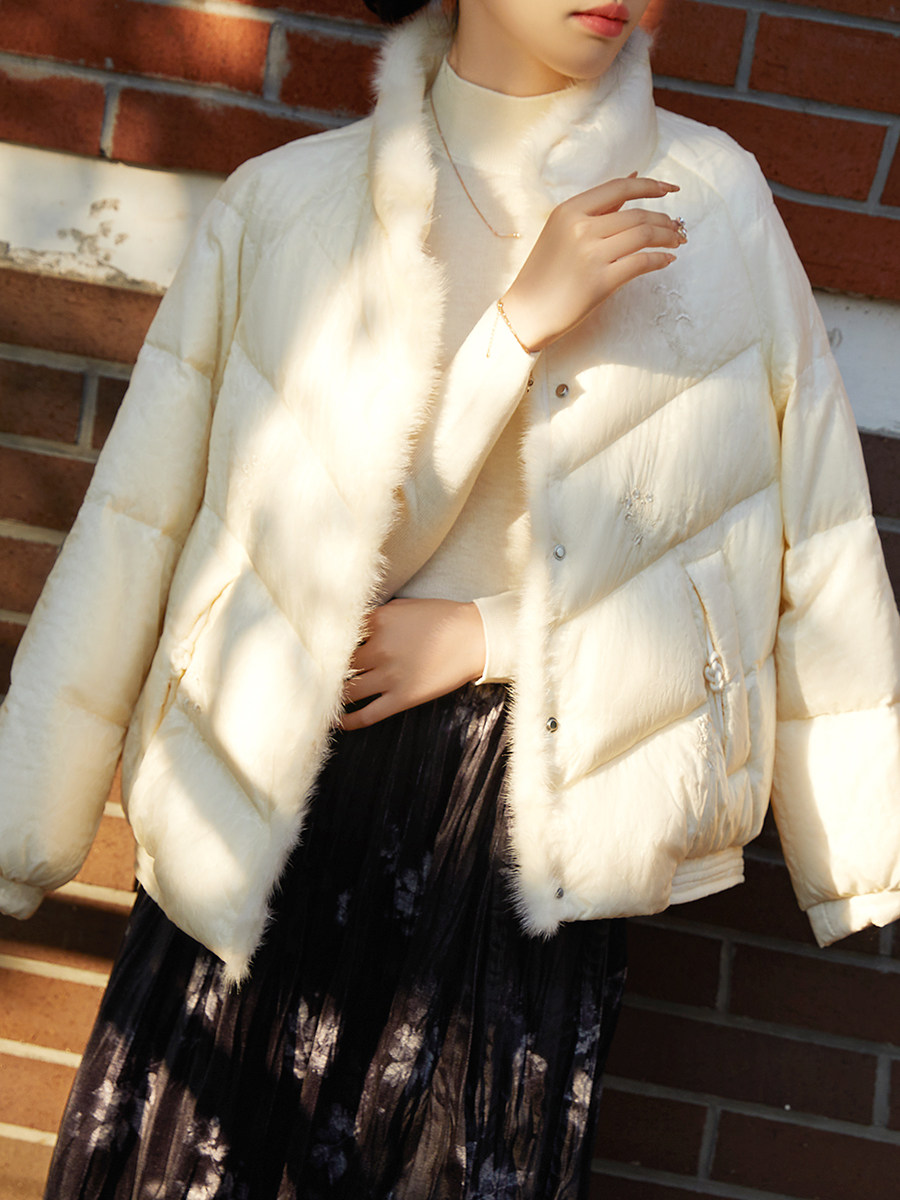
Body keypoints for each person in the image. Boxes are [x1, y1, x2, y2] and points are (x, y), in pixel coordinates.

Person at [2, 0, 899, 1195]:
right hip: (276, 808)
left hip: (529, 836)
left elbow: (804, 539)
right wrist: (514, 329)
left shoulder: (712, 202)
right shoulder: (288, 207)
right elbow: (143, 521)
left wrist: (489, 636)